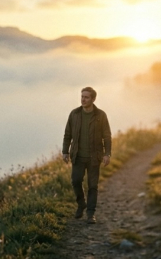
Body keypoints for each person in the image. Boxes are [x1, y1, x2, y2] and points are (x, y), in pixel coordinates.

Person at [61, 86, 112, 224]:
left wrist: (107, 154)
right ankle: (81, 204)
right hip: (77, 156)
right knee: (75, 181)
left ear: (93, 99)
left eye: (86, 97)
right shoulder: (74, 114)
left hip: (94, 157)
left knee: (92, 186)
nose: (83, 99)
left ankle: (90, 213)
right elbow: (67, 134)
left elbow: (107, 136)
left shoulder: (101, 115)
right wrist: (65, 151)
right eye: (82, 96)